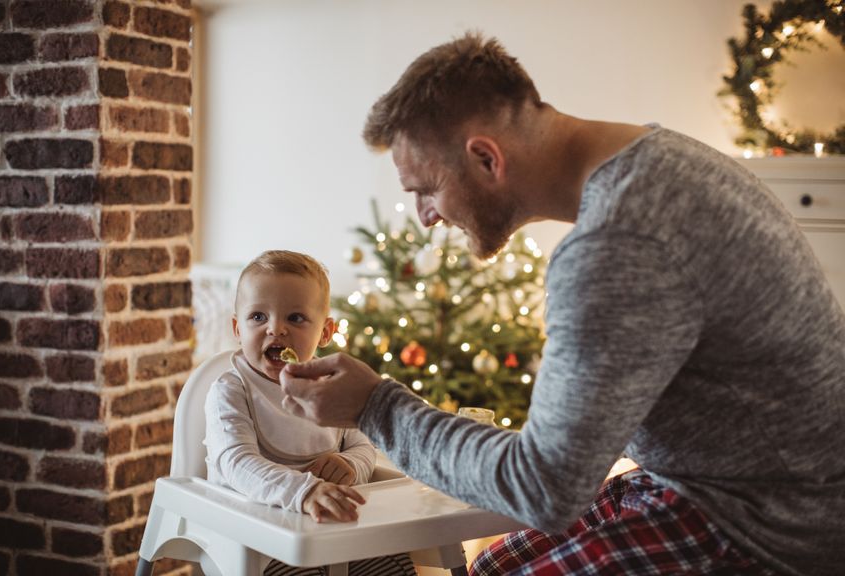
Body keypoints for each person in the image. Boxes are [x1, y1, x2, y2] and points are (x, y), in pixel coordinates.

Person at [278, 32, 845, 576]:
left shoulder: (618, 241)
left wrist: (375, 405)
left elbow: (543, 488)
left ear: (486, 158)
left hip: (767, 526)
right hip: (722, 483)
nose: (426, 215)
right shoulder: (664, 157)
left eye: (426, 189)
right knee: (497, 561)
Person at [204, 250, 416, 576]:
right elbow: (236, 463)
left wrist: (349, 466)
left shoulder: (333, 388)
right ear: (237, 327)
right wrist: (304, 492)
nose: (276, 329)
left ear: (326, 332)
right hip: (256, 535)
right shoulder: (231, 391)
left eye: (296, 318)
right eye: (258, 317)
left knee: (395, 561)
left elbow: (363, 446)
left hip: (330, 527)